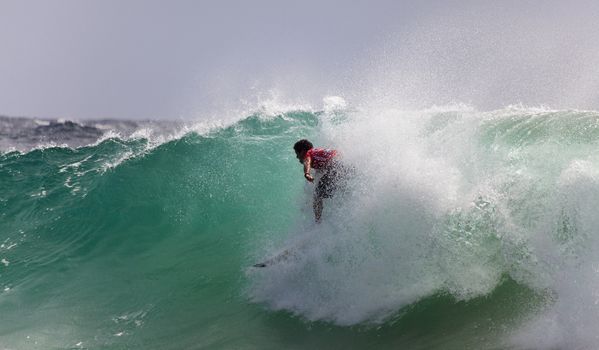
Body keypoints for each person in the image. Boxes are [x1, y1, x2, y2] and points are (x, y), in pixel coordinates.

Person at [293, 139, 347, 222]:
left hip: (334, 166)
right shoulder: (317, 153)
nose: (297, 157)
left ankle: (318, 222)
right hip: (342, 166)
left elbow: (307, 162)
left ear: (303, 151)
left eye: (297, 154)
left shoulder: (308, 154)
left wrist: (307, 173)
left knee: (317, 196)